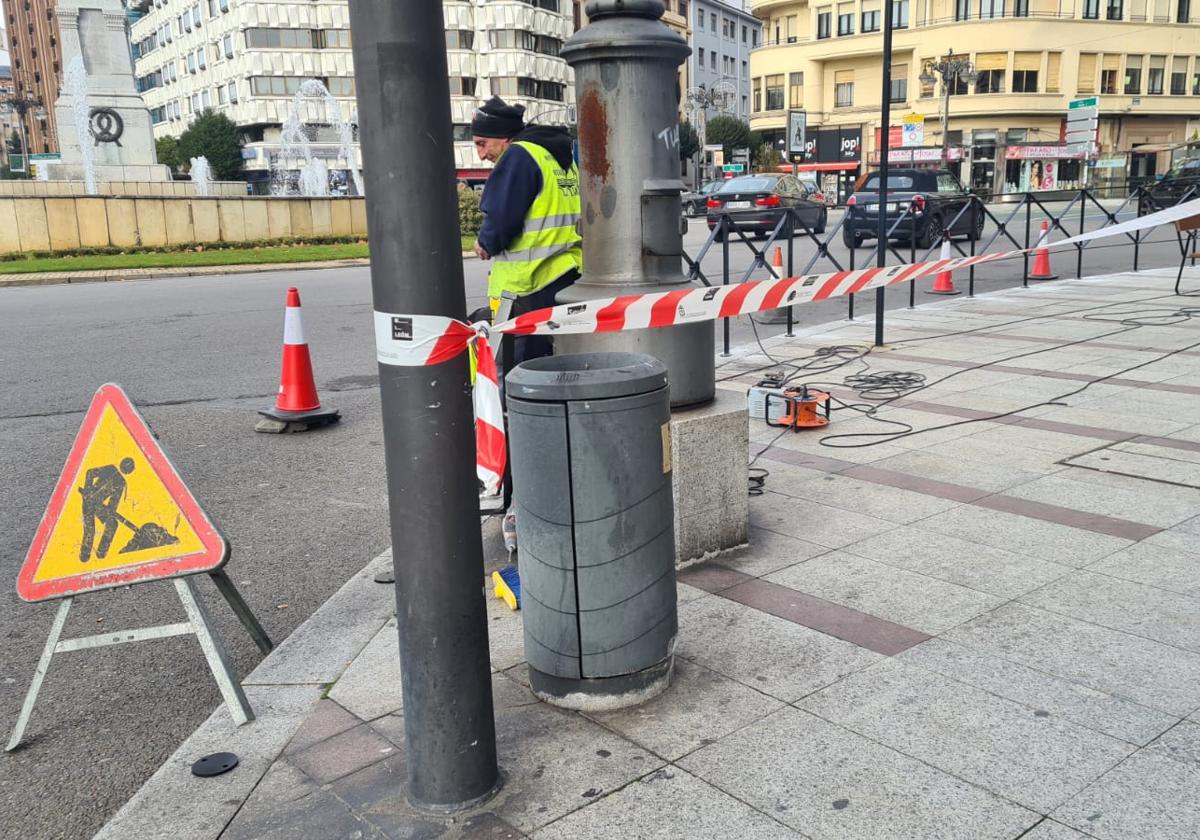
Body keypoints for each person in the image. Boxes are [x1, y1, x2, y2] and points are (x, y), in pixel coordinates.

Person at [471, 96, 583, 555]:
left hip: (526, 289)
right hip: (563, 279)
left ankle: (521, 495)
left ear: (503, 135)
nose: (480, 154)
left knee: (519, 395)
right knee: (553, 385)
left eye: (482, 143)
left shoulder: (519, 156)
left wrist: (486, 241)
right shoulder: (560, 154)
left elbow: (501, 217)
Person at [78, 458, 135, 562]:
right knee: (90, 530)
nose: (127, 468)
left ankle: (101, 553)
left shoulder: (121, 482)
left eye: (130, 467)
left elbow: (113, 503)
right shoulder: (110, 468)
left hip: (99, 506)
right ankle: (84, 556)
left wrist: (109, 511)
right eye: (127, 465)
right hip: (88, 502)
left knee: (112, 523)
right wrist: (88, 489)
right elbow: (90, 473)